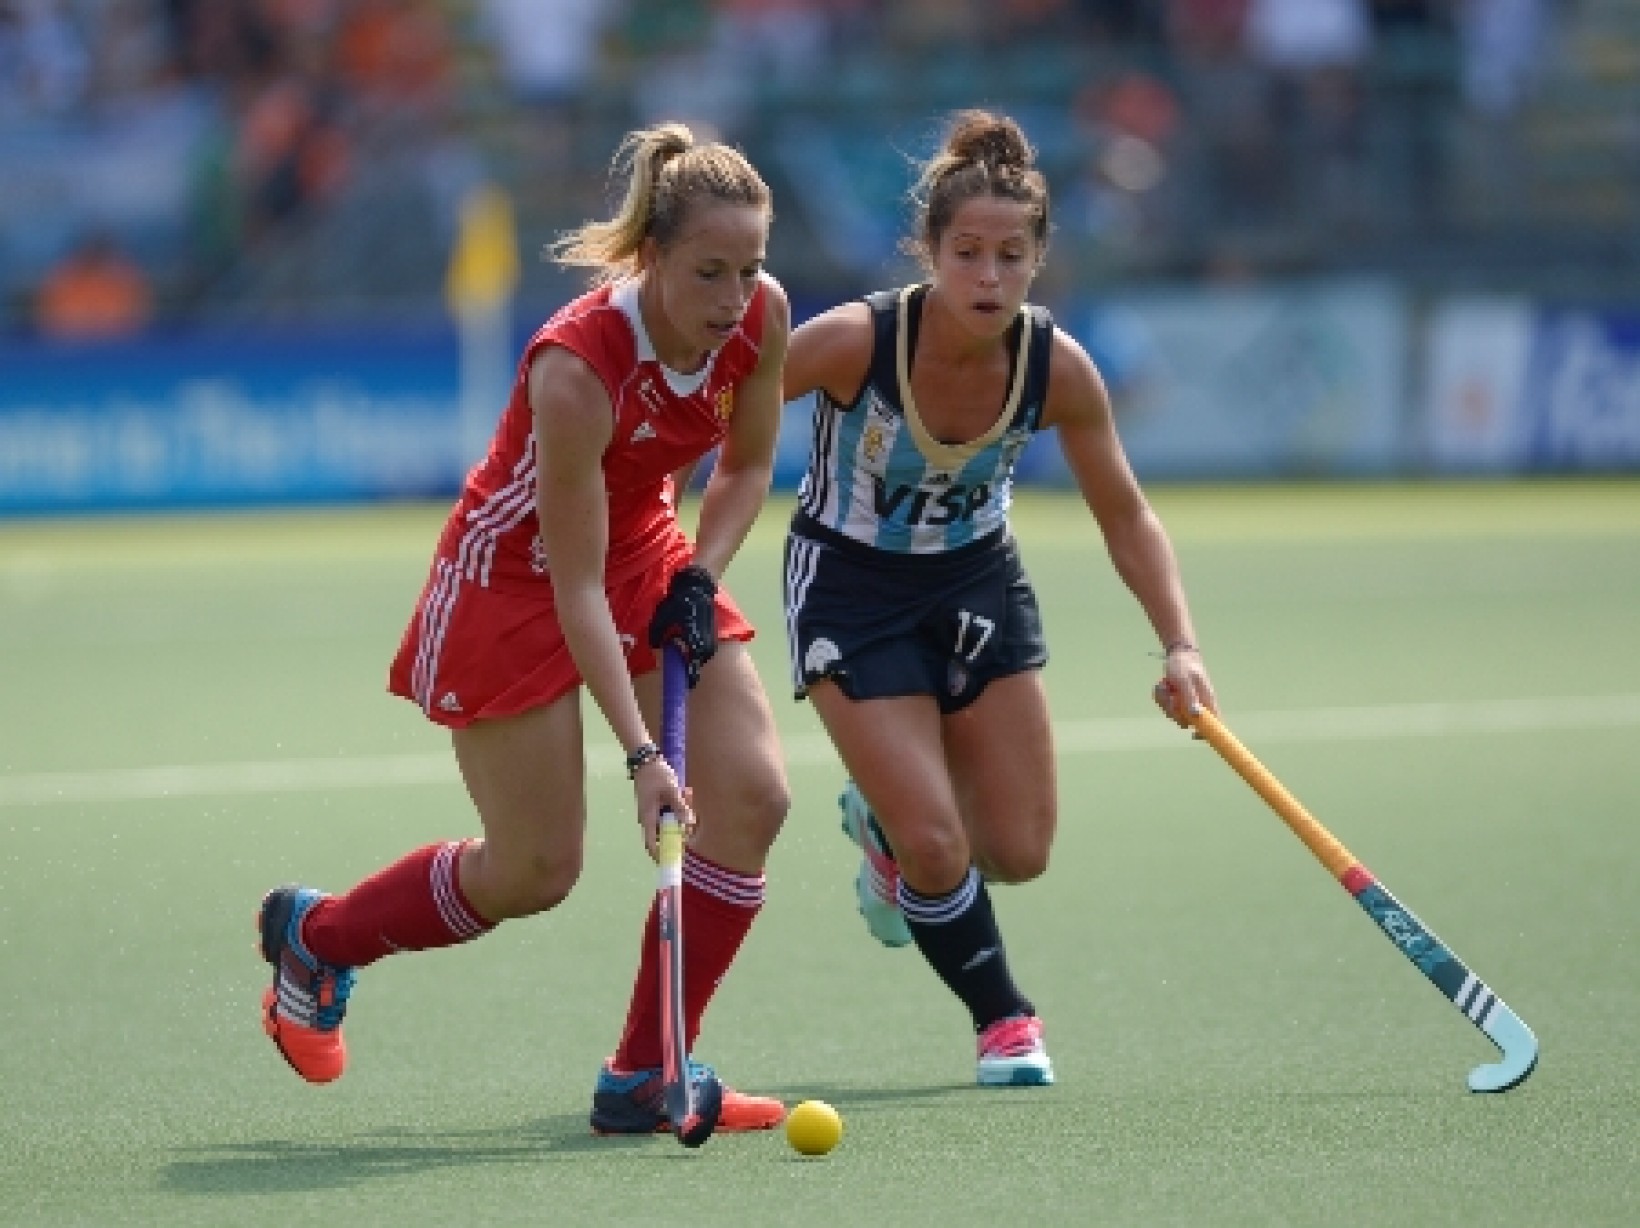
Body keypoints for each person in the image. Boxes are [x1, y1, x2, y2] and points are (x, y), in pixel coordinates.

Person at [257, 122, 794, 1136]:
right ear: (651, 257)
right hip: (511, 580)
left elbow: (748, 464)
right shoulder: (577, 368)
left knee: (753, 798)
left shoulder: (761, 314)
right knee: (535, 870)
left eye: (749, 267)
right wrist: (642, 757)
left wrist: (700, 573)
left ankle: (645, 1075)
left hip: (641, 549)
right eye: (708, 272)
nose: (733, 298)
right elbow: (574, 586)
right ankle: (319, 937)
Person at [780, 109, 1217, 1086]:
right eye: (967, 254)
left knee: (1017, 851)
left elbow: (1126, 515)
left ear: (1037, 260)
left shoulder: (1057, 369)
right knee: (939, 844)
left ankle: (881, 825)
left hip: (976, 581)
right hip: (850, 586)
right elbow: (721, 410)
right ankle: (1004, 1020)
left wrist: (1179, 645)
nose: (988, 276)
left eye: (1010, 257)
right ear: (929, 253)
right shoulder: (852, 341)